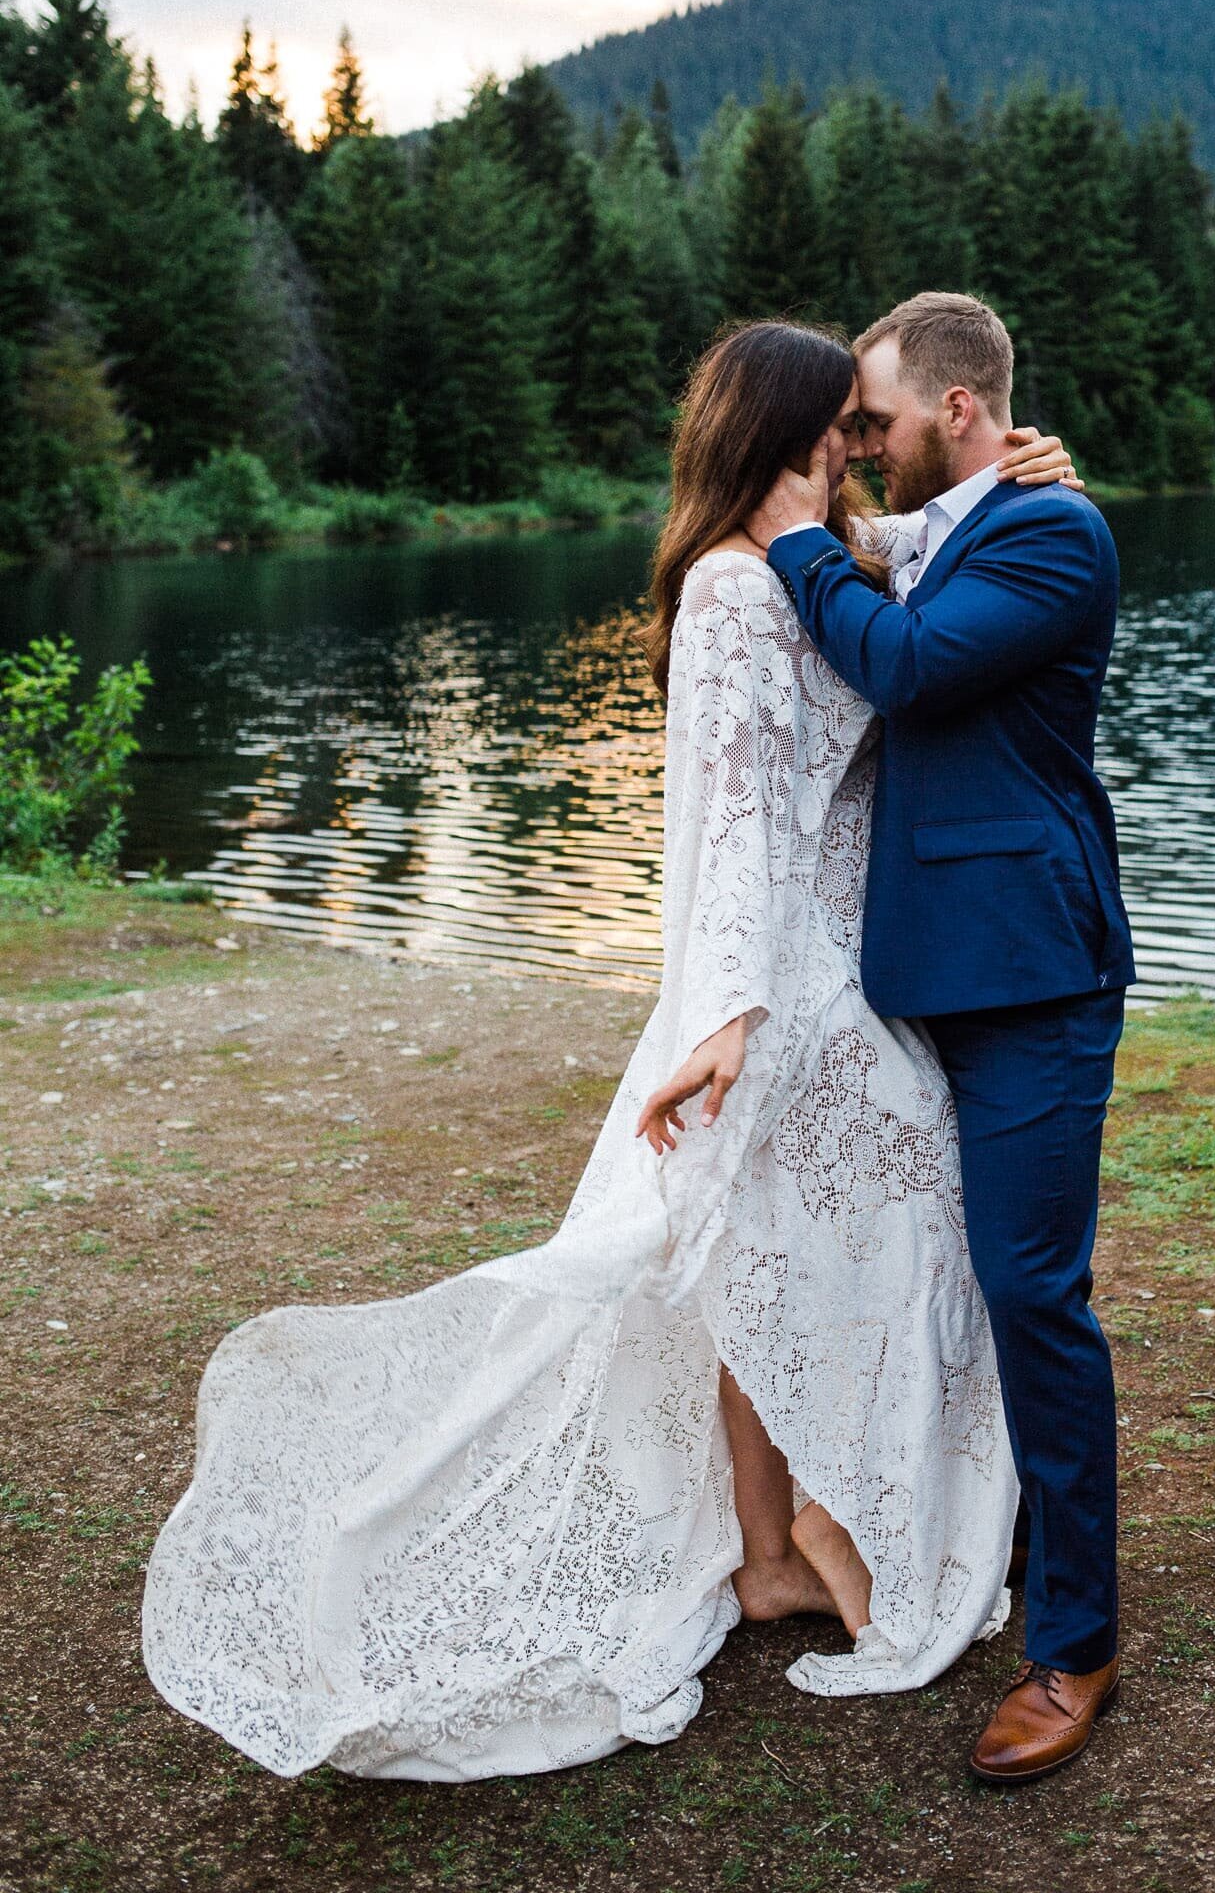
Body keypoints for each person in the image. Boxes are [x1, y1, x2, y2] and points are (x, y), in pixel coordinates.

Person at [141, 318, 1077, 1783]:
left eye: (871, 421)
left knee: (788, 1246)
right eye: (839, 422)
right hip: (777, 986)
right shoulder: (725, 591)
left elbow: (932, 576)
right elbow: (718, 828)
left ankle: (786, 1539)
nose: (858, 441)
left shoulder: (842, 560)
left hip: (857, 974)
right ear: (781, 435)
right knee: (780, 1242)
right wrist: (721, 1020)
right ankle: (810, 1527)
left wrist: (1025, 471)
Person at [747, 290, 1135, 1785]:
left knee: (1033, 1293)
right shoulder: (962, 520)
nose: (856, 441)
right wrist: (803, 520)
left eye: (875, 420)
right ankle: (960, 1543)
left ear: (959, 414)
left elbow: (901, 666)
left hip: (1031, 976)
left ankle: (1077, 1642)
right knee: (937, 1284)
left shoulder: (1056, 535)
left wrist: (788, 535)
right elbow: (896, 568)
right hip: (919, 973)